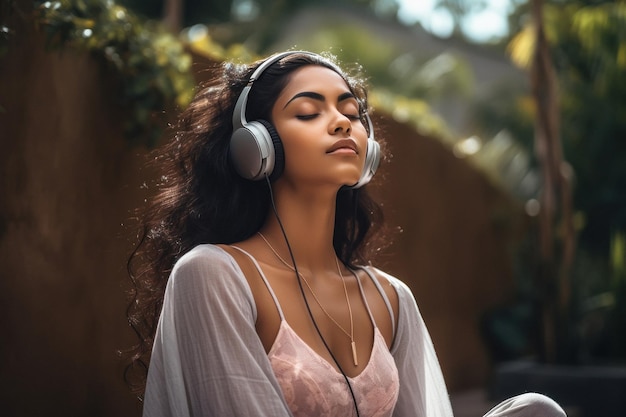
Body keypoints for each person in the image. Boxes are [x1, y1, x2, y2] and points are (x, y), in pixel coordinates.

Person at [126, 50, 566, 417]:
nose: (341, 122)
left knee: (539, 409)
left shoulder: (391, 299)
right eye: (308, 111)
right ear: (255, 147)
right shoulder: (212, 275)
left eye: (351, 112)